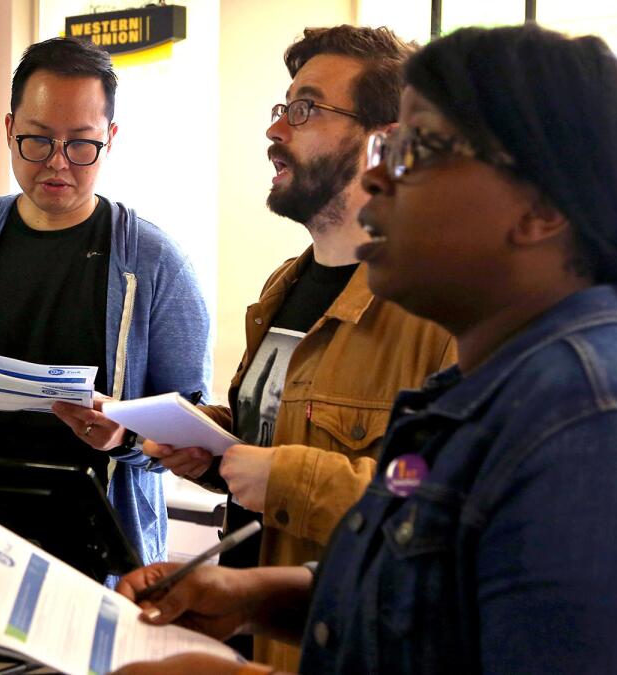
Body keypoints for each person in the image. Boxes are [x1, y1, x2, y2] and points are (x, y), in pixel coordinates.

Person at [111, 24, 617, 674]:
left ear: (540, 209)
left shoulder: (594, 431)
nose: (375, 176)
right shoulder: (475, 395)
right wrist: (259, 595)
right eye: (384, 145)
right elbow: (431, 606)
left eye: (416, 149)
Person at [141, 26, 454, 665]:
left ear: (382, 141)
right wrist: (216, 443)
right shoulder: (283, 288)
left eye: (305, 109)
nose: (276, 130)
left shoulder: (439, 314)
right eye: (282, 108)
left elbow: (438, 510)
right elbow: (284, 434)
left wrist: (282, 476)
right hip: (262, 641)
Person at [0, 37, 211, 570]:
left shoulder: (155, 262)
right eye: (38, 140)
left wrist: (126, 435)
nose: (58, 163)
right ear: (9, 130)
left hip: (101, 554)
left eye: (81, 144)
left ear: (110, 139)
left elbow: (193, 434)